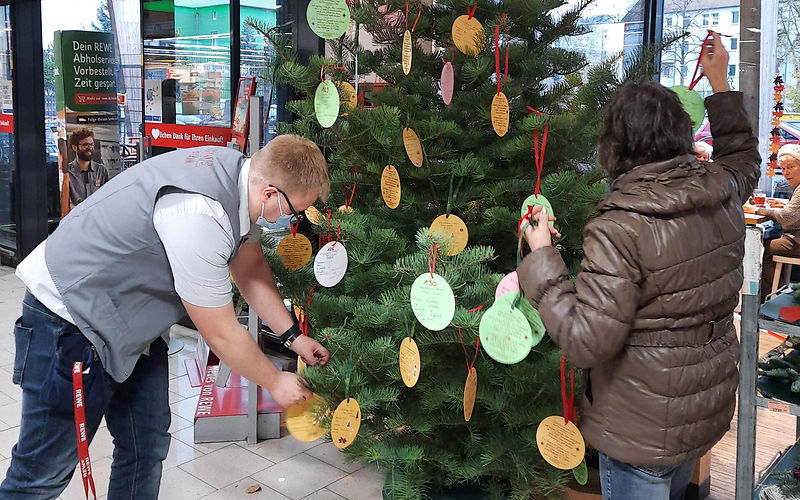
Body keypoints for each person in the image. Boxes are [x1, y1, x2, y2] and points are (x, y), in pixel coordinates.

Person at [3, 135, 331, 498]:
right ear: (270, 193)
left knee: (147, 446)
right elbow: (220, 333)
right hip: (70, 316)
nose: (293, 219)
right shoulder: (201, 213)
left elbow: (250, 266)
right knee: (43, 474)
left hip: (130, 323)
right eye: (294, 210)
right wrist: (274, 382)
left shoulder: (241, 177)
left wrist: (294, 338)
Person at [517, 33, 759, 499]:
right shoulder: (722, 189)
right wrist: (719, 80)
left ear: (615, 142)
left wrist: (542, 253)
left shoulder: (620, 225)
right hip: (700, 408)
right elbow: (744, 158)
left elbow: (587, 340)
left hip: (640, 429)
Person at [755, 144, 800, 298]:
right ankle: (774, 292)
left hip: (797, 241)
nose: (786, 172)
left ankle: (778, 293)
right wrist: (785, 205)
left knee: (757, 250)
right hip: (795, 239)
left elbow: (788, 217)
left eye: (791, 167)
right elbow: (794, 212)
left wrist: (757, 210)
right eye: (783, 168)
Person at [67, 128, 110, 207]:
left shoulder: (101, 170)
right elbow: (65, 202)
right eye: (85, 144)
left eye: (91, 144)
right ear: (75, 148)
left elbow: (107, 197)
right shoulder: (67, 173)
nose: (89, 147)